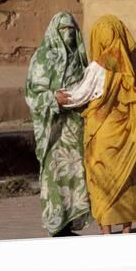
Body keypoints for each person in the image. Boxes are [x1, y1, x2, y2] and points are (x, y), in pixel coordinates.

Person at [57, 14, 136, 235]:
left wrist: (59, 97)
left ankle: (106, 231)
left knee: (101, 181)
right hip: (127, 133)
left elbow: (80, 96)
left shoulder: (99, 67)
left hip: (102, 134)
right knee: (126, 180)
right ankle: (126, 230)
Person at [25, 12, 92, 237]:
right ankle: (56, 226)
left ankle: (69, 224)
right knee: (55, 176)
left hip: (74, 128)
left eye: (72, 29)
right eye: (64, 30)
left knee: (75, 175)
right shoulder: (42, 58)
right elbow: (32, 94)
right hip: (53, 131)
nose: (69, 34)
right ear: (55, 31)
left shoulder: (79, 57)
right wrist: (54, 99)